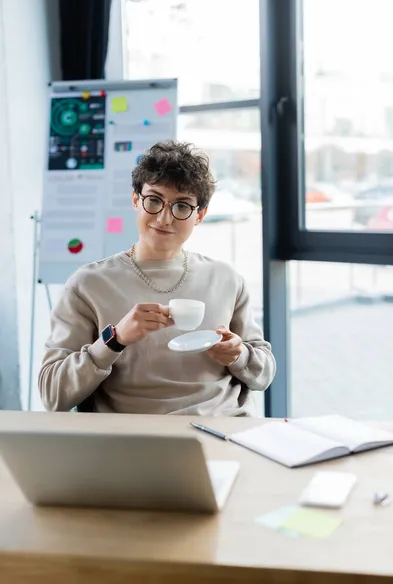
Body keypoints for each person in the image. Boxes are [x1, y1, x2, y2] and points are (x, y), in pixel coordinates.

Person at [39, 141, 276, 415]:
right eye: (154, 200)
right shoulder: (88, 284)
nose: (164, 219)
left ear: (200, 215)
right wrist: (113, 341)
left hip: (221, 431)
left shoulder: (226, 279)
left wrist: (239, 355)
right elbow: (52, 395)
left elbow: (264, 374)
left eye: (182, 206)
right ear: (135, 200)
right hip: (133, 440)